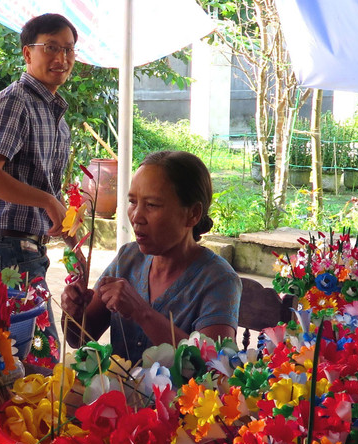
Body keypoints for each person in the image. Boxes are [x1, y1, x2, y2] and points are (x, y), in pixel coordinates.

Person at [61, 151, 241, 365]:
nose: (136, 216)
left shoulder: (219, 280)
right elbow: (79, 339)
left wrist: (142, 313)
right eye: (132, 202)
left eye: (152, 205)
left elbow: (214, 367)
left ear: (193, 213)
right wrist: (73, 312)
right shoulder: (128, 258)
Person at [0, 13, 80, 358]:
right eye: (51, 47)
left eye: (68, 49)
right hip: (8, 250)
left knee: (24, 359)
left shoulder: (54, 115)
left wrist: (70, 235)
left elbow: (45, 188)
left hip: (31, 250)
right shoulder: (15, 101)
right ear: (27, 53)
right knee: (39, 357)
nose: (61, 58)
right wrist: (48, 201)